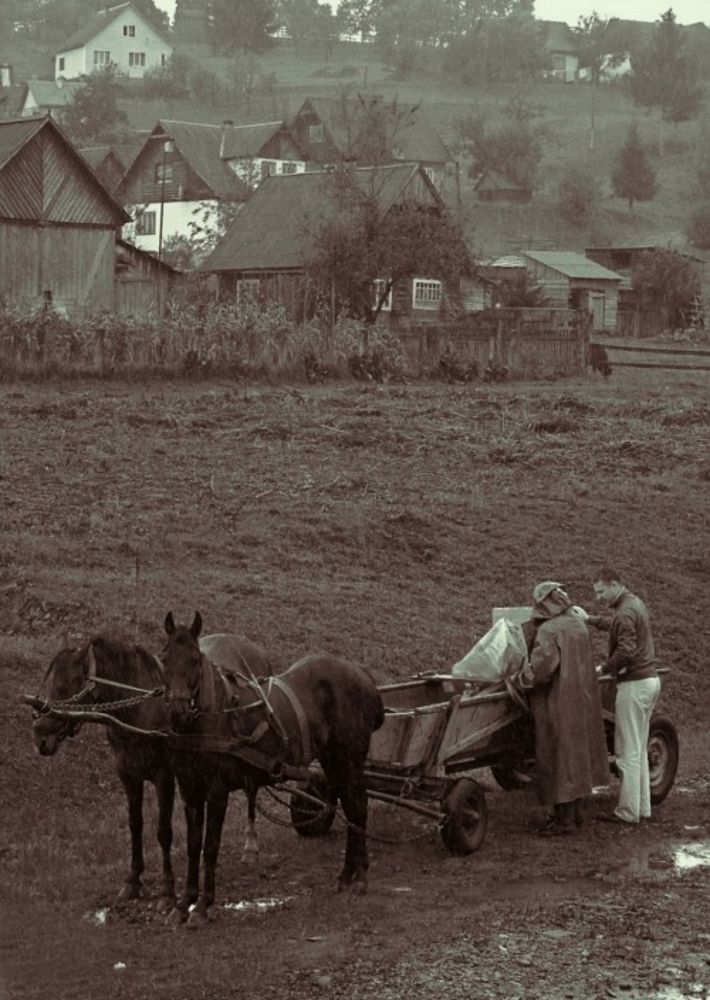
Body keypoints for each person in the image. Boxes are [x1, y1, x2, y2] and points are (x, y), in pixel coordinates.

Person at [516, 581, 610, 836]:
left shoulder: (550, 630)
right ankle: (576, 813)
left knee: (557, 758)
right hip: (582, 700)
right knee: (577, 757)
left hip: (557, 703)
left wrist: (520, 679)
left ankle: (563, 821)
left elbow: (540, 671)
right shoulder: (577, 625)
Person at [576, 569, 660, 826]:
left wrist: (602, 670)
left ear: (614, 585)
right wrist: (589, 619)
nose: (599, 597)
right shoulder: (633, 603)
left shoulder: (624, 612)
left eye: (601, 592)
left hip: (634, 684)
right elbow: (616, 625)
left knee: (627, 752)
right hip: (649, 680)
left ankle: (628, 812)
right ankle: (642, 808)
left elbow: (625, 651)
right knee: (639, 748)